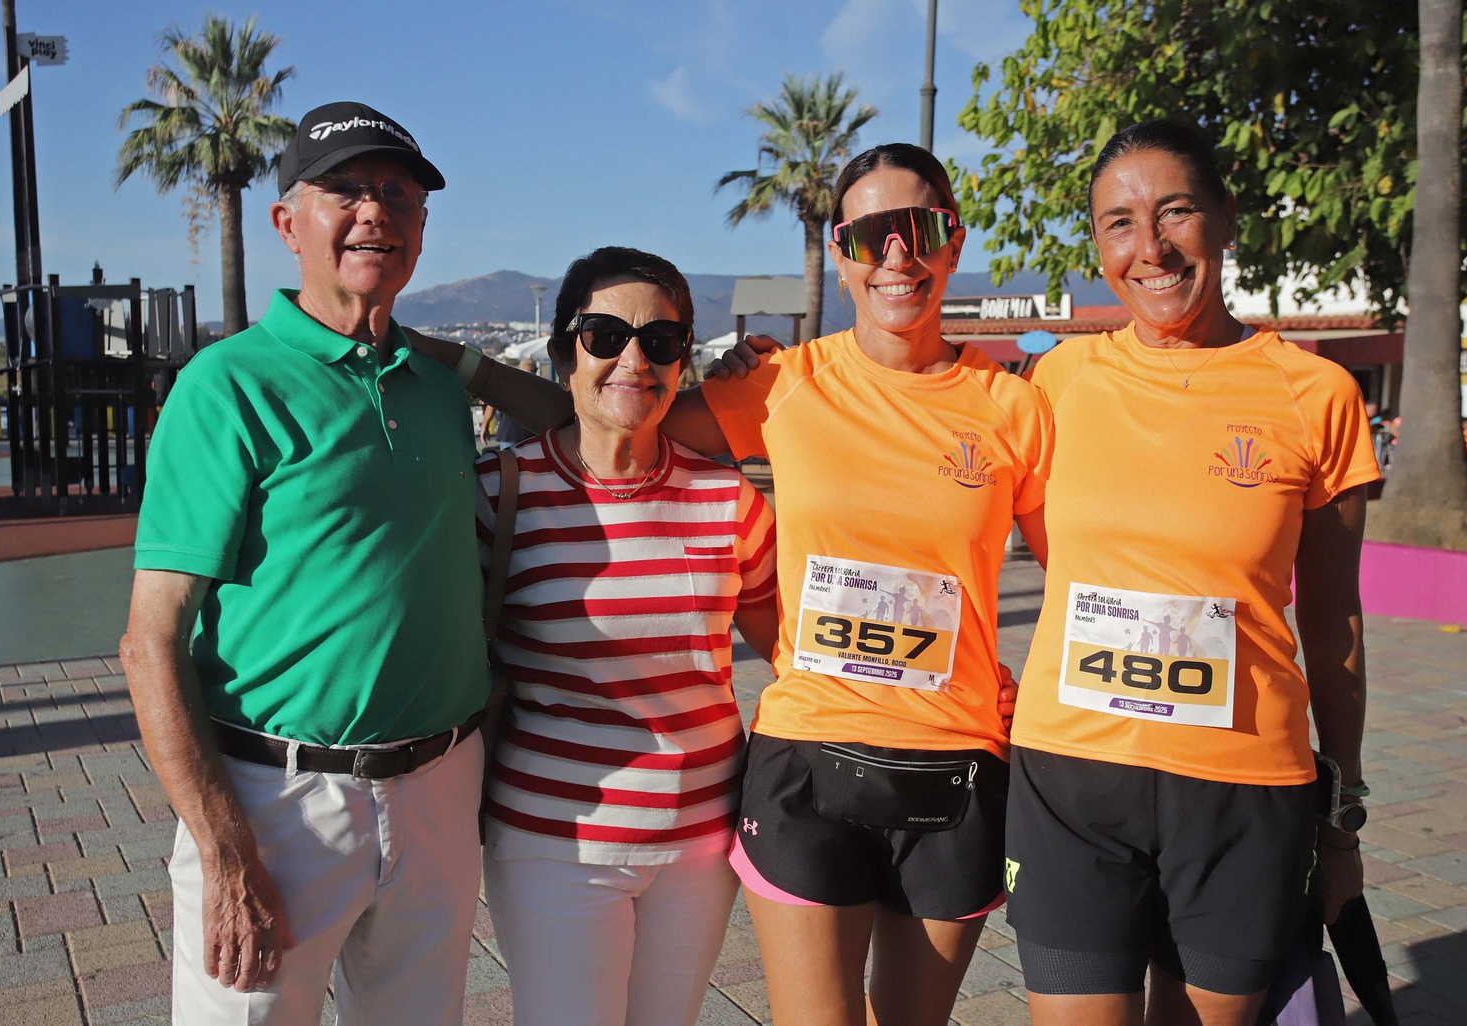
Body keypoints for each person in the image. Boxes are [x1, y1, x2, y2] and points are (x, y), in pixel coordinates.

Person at [410, 142, 1049, 1026]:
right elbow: (606, 421)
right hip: (730, 782)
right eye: (872, 234)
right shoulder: (783, 383)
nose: (897, 254)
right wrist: (428, 356)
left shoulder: (1012, 407)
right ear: (841, 251)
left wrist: (1038, 692)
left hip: (904, 772)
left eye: (921, 228)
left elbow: (1078, 564)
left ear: (952, 239)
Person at [120, 102, 491, 1024]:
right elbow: (148, 639)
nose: (375, 212)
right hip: (277, 801)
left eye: (397, 194)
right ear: (287, 224)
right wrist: (225, 852)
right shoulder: (229, 384)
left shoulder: (440, 388)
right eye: (347, 192)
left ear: (422, 228)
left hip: (440, 790)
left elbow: (577, 412)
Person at [1005, 120, 1377, 1026]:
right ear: (1097, 246)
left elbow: (1336, 622)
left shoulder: (1314, 393)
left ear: (1224, 219)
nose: (1151, 248)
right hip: (1071, 780)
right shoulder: (1051, 384)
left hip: (1242, 789)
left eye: (1176, 213)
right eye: (1119, 224)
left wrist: (1346, 801)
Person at [475, 246, 781, 1026]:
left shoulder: (728, 500)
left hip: (702, 842)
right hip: (555, 841)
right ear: (561, 353)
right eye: (604, 336)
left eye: (662, 341)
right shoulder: (500, 495)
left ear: (684, 359)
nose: (634, 360)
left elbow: (792, 650)